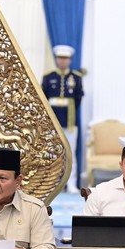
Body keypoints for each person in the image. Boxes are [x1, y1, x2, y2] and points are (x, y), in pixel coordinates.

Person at [42, 44, 83, 193]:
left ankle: (71, 183)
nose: (62, 61)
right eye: (60, 58)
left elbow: (78, 99)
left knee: (70, 153)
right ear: (56, 59)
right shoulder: (49, 77)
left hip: (70, 121)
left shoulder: (76, 78)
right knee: (52, 153)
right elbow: (44, 98)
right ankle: (52, 183)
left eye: (65, 58)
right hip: (52, 122)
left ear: (70, 60)